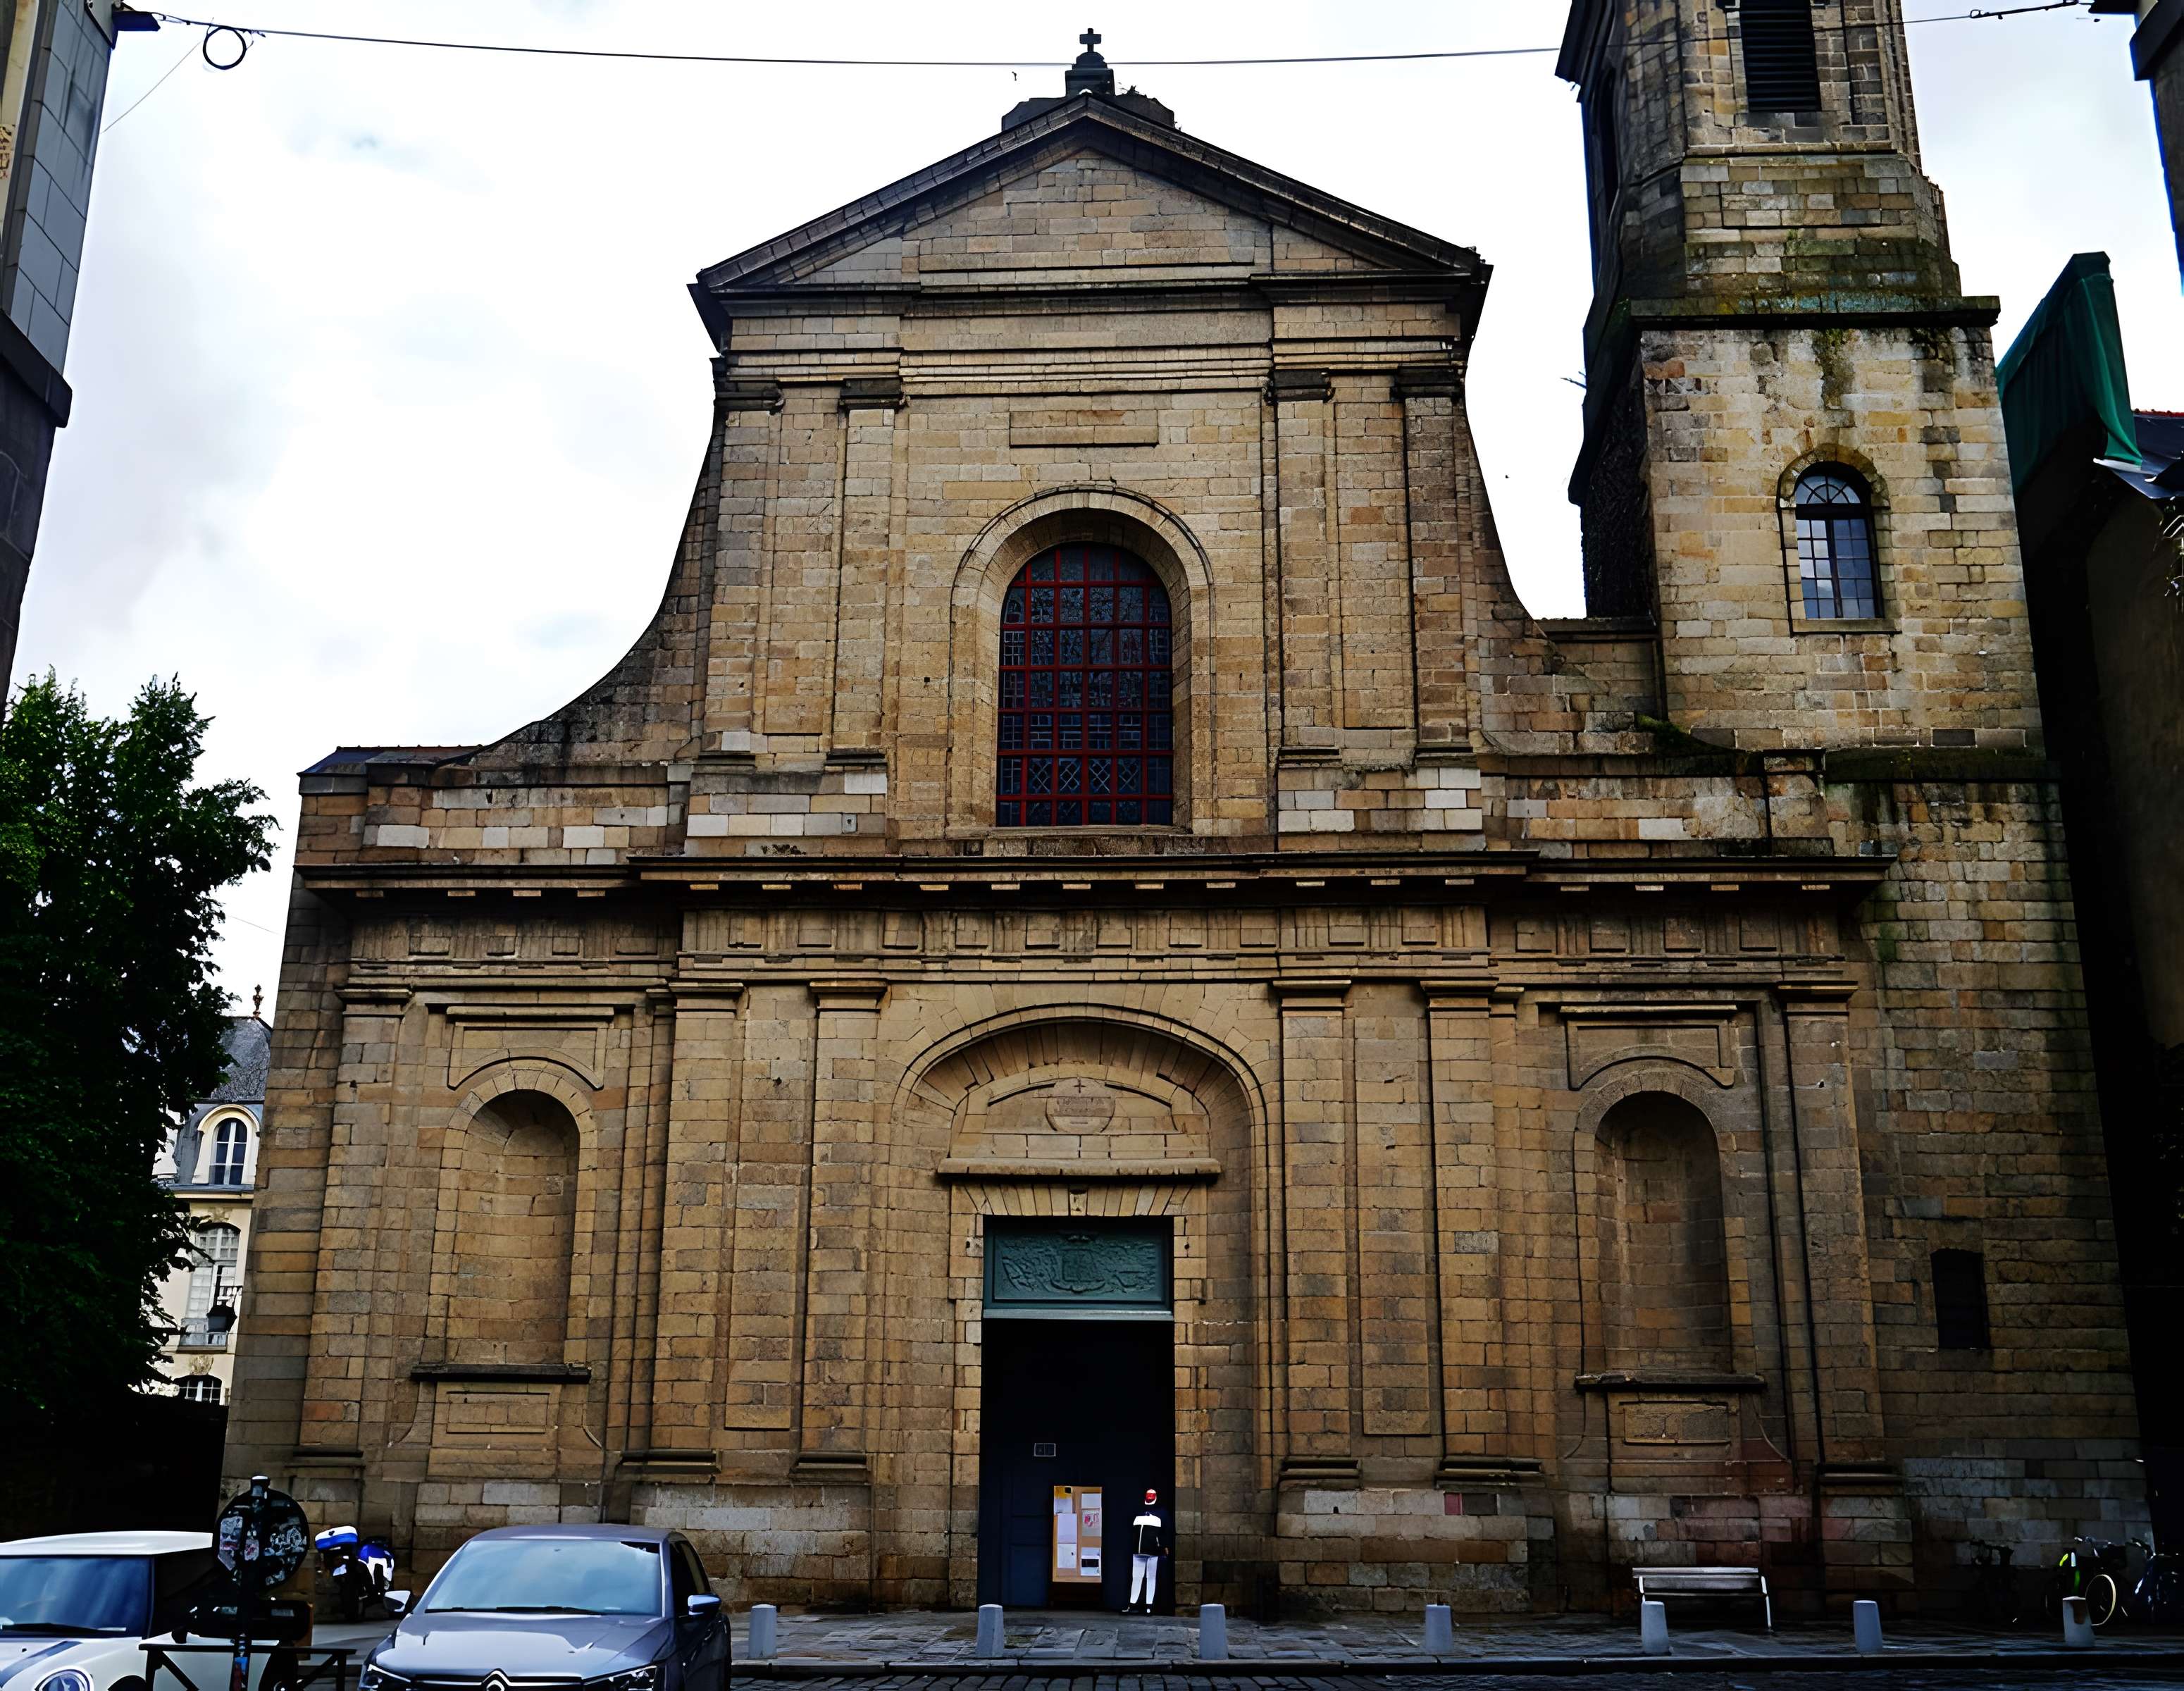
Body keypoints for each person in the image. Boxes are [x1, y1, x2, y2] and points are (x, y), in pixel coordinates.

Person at [1126, 1488, 1168, 1613]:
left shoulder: (1161, 1513)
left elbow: (1165, 1532)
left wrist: (1164, 1547)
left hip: (1153, 1551)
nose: (1150, 1497)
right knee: (1137, 1577)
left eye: (1152, 1495)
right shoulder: (1138, 1512)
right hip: (1138, 1551)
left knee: (1151, 1578)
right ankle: (1133, 1603)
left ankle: (1149, 1605)